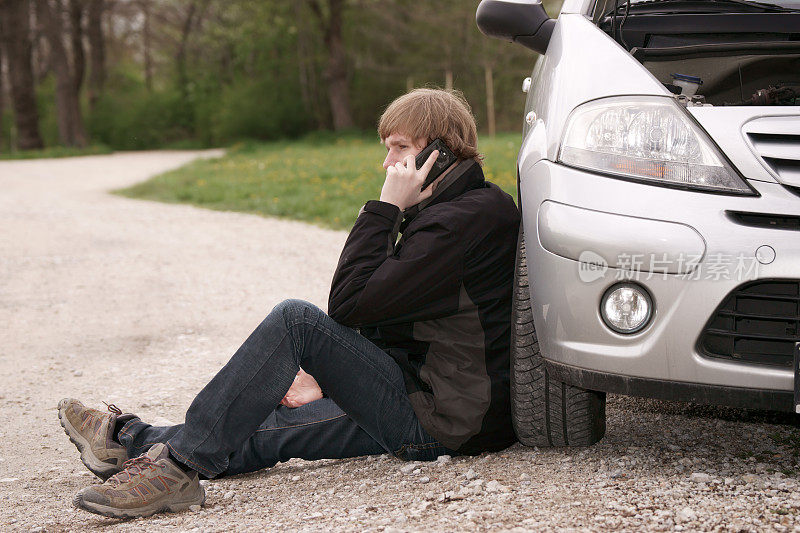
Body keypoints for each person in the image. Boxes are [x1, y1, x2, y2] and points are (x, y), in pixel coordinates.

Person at [58, 88, 521, 519]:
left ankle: (175, 467)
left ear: (437, 151)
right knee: (273, 425)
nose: (387, 163)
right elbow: (395, 315)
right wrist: (330, 376)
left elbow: (349, 303)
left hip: (444, 418)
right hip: (437, 398)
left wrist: (384, 209)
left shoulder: (458, 224)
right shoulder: (465, 210)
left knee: (295, 320)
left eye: (398, 147)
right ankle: (130, 442)